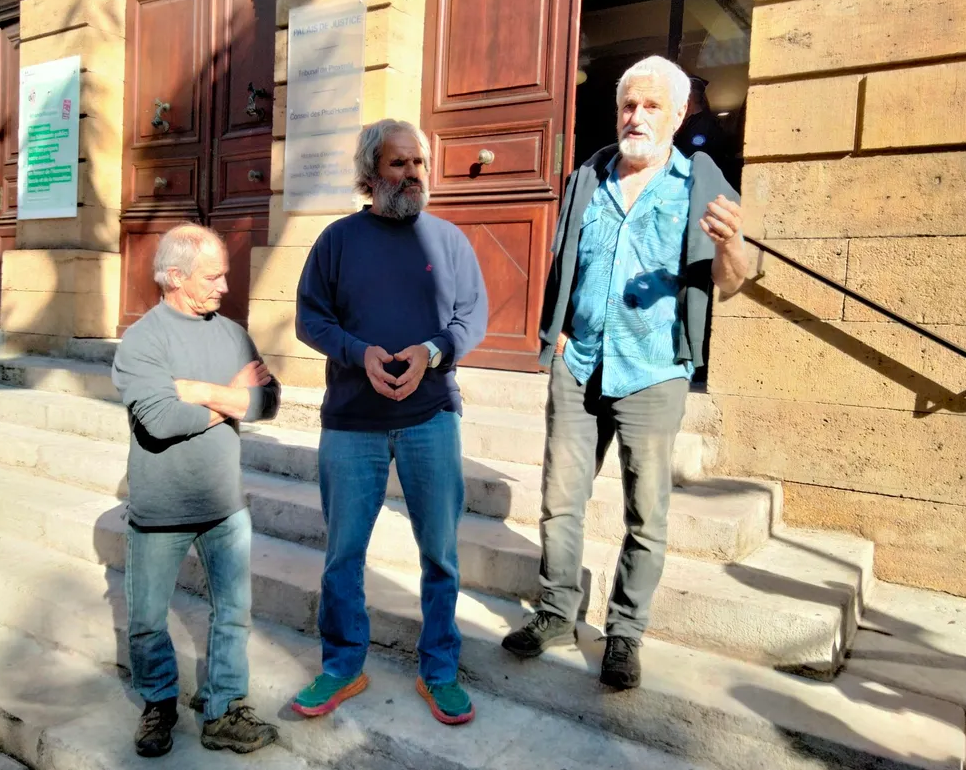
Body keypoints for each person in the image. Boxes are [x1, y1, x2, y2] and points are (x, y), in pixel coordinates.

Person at [501, 56, 748, 690]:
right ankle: (556, 613)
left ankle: (624, 633)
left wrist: (730, 249)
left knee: (647, 512)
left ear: (679, 113)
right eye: (627, 106)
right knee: (560, 502)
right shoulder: (589, 178)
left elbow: (732, 283)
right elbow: (565, 263)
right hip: (578, 358)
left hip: (654, 368)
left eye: (650, 107)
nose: (635, 117)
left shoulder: (700, 187)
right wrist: (554, 337)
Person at [293, 118, 488, 725]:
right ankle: (343, 664)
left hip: (430, 419)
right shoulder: (337, 240)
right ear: (372, 172)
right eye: (399, 164)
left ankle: (439, 668)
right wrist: (360, 353)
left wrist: (433, 353)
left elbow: (471, 318)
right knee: (343, 555)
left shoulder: (450, 241)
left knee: (441, 555)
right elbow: (309, 319)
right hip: (353, 423)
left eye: (419, 164)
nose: (411, 175)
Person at [111, 223, 280, 757]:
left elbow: (268, 401)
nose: (225, 287)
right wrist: (229, 398)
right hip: (160, 509)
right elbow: (159, 420)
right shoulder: (143, 340)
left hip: (225, 506)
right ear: (176, 278)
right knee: (146, 621)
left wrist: (200, 392)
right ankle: (158, 702)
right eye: (214, 276)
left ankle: (224, 707)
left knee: (233, 612)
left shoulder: (231, 334)